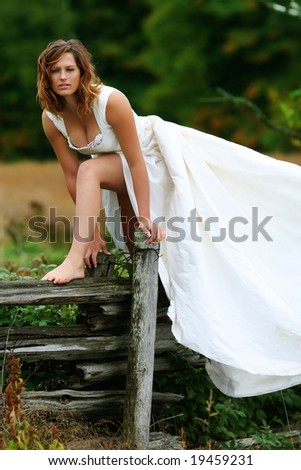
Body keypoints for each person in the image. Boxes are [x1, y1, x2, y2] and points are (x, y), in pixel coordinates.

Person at [37, 38, 301, 398]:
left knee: (99, 181)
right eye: (55, 71)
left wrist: (146, 217)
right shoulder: (51, 117)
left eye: (70, 69)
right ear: (46, 76)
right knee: (129, 242)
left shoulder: (110, 101)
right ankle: (114, 270)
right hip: (113, 171)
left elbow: (134, 162)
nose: (63, 76)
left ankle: (74, 259)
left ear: (83, 72)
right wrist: (93, 232)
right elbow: (70, 174)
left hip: (153, 157)